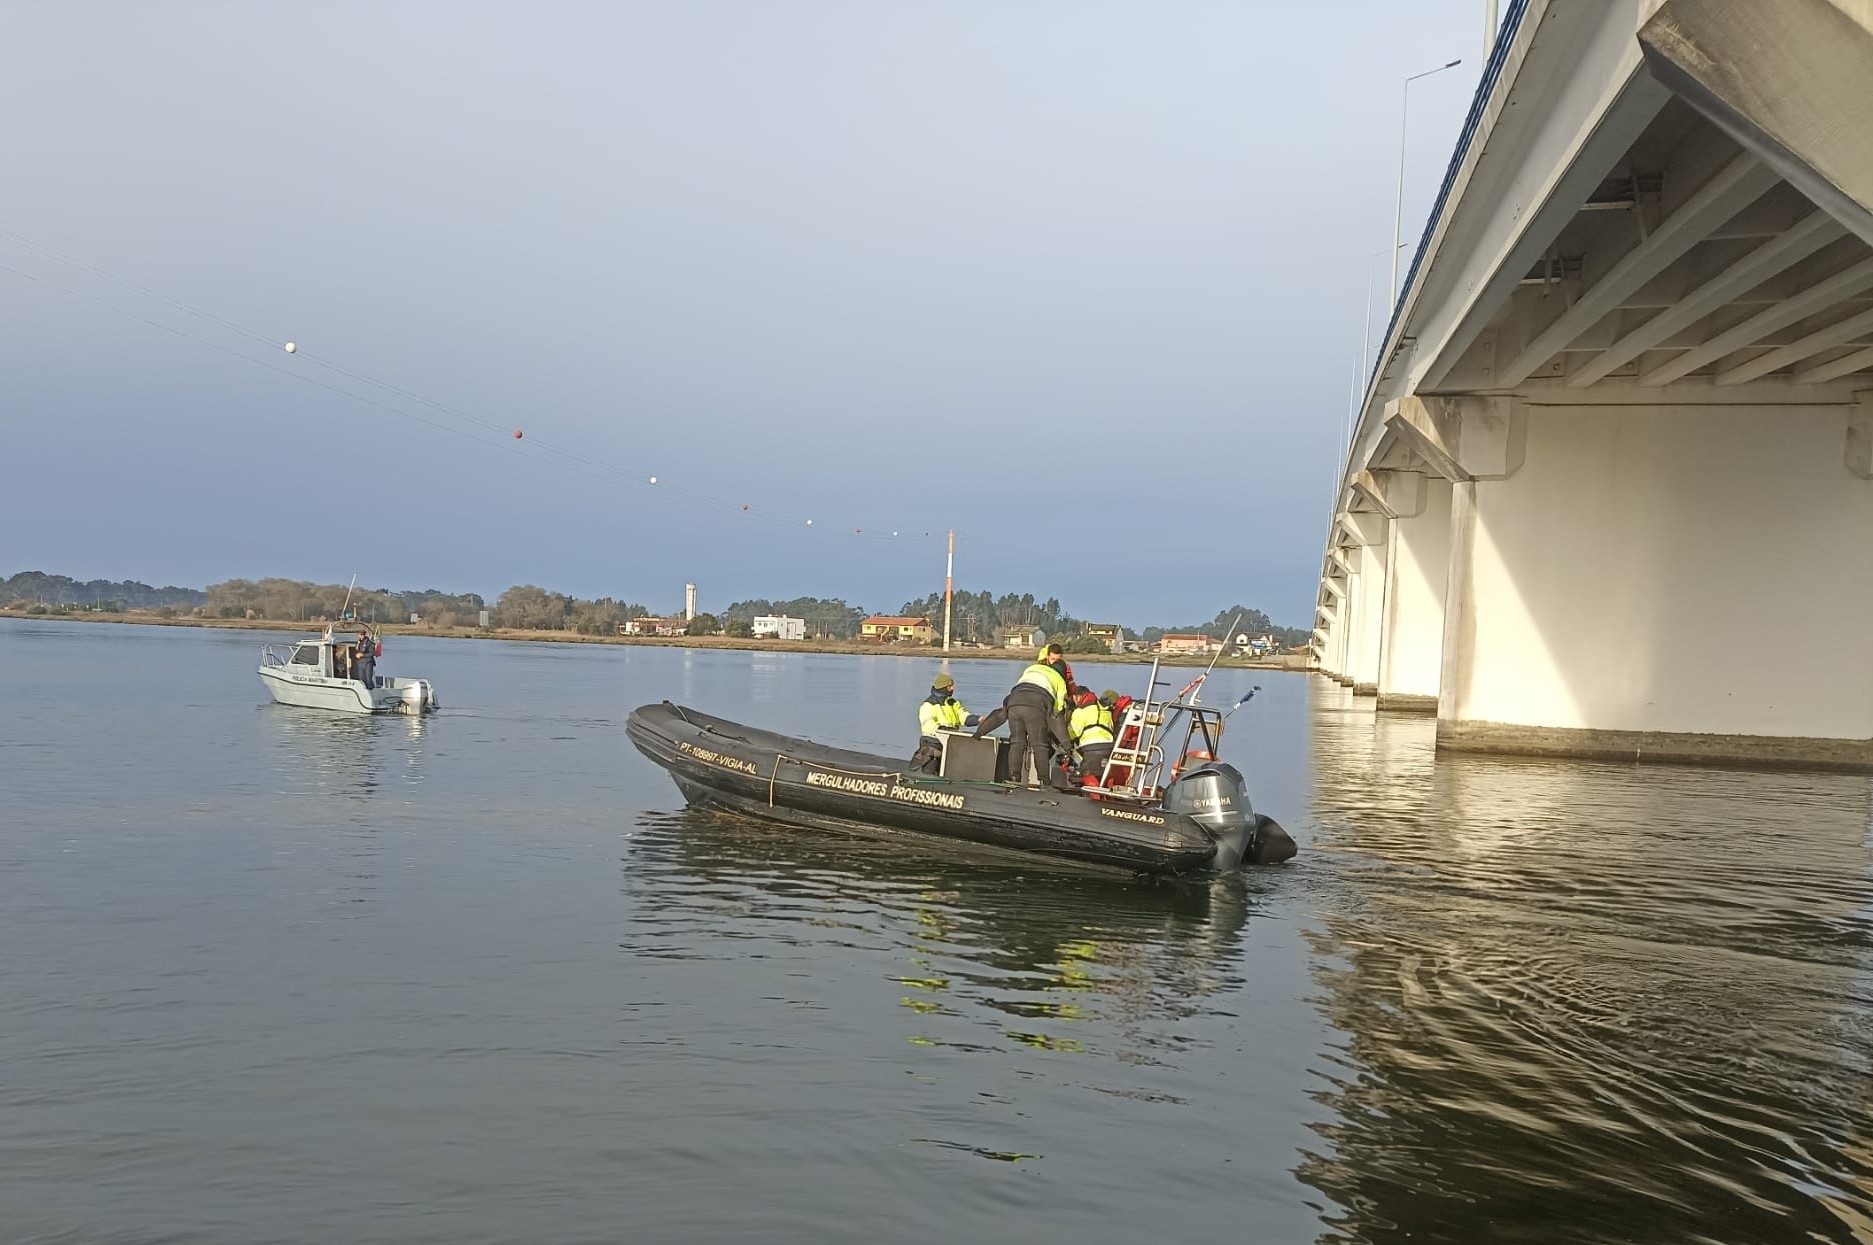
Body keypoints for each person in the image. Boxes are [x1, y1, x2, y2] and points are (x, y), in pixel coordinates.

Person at [978, 644, 1075, 790]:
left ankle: (1014, 779)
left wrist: (979, 732)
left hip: (1014, 702)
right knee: (1039, 745)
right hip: (1035, 706)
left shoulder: (1031, 668)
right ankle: (1045, 783)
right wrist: (1067, 744)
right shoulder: (1059, 679)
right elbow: (1058, 710)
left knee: (1017, 743)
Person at [908, 673, 978, 774]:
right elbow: (928, 726)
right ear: (943, 687)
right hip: (933, 744)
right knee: (929, 772)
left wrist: (979, 720)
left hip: (951, 743)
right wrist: (945, 730)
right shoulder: (928, 705)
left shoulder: (953, 703)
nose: (953, 688)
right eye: (950, 686)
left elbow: (964, 717)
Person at [1068, 688, 1116, 782]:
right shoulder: (1105, 709)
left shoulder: (1080, 711)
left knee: (1087, 774)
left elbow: (1072, 734)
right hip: (1109, 748)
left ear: (1077, 697)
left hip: (1090, 748)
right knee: (1104, 776)